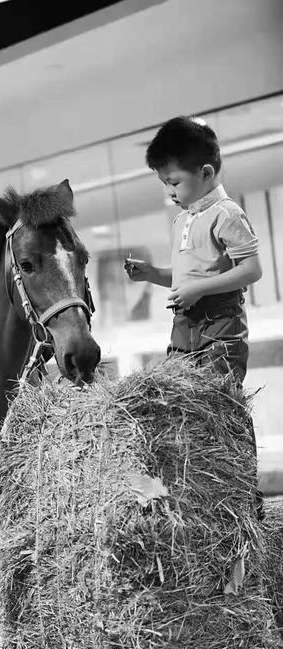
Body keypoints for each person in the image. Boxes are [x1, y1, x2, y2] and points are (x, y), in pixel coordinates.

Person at [124, 115, 264, 517]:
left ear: (205, 173)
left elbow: (251, 270)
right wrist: (153, 275)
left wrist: (199, 289)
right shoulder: (182, 219)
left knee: (223, 410)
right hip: (184, 331)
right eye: (164, 184)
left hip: (221, 330)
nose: (169, 192)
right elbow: (188, 276)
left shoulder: (227, 213)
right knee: (182, 412)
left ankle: (244, 499)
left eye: (174, 182)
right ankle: (198, 495)